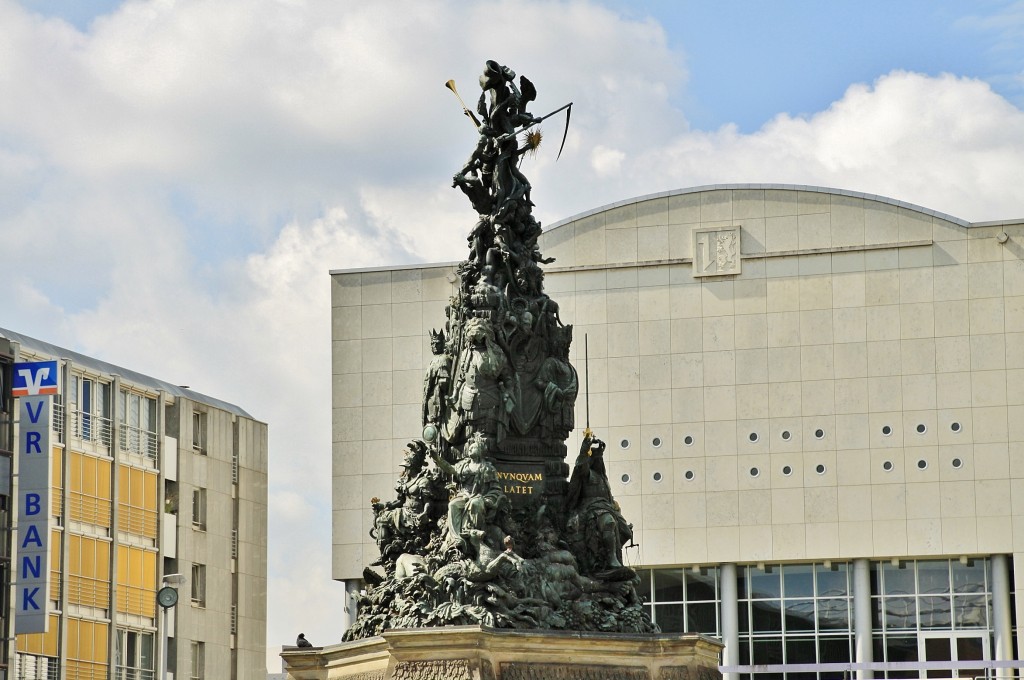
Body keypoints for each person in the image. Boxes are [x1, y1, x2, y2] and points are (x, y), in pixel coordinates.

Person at [430, 433, 505, 557]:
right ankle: (456, 538)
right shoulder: (463, 465)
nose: (470, 449)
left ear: (481, 451)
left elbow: (495, 488)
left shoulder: (487, 468)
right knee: (453, 504)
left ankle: (477, 535)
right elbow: (450, 469)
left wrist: (488, 500)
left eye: (474, 447)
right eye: (470, 447)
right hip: (464, 494)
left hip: (479, 496)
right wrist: (437, 458)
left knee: (476, 503)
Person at [566, 436, 633, 572]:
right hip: (591, 508)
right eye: (597, 458)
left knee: (626, 531)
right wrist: (585, 449)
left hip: (606, 508)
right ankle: (611, 559)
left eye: (601, 459)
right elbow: (581, 466)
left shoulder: (603, 479)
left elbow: (610, 499)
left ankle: (607, 553)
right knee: (608, 522)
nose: (599, 461)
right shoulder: (587, 474)